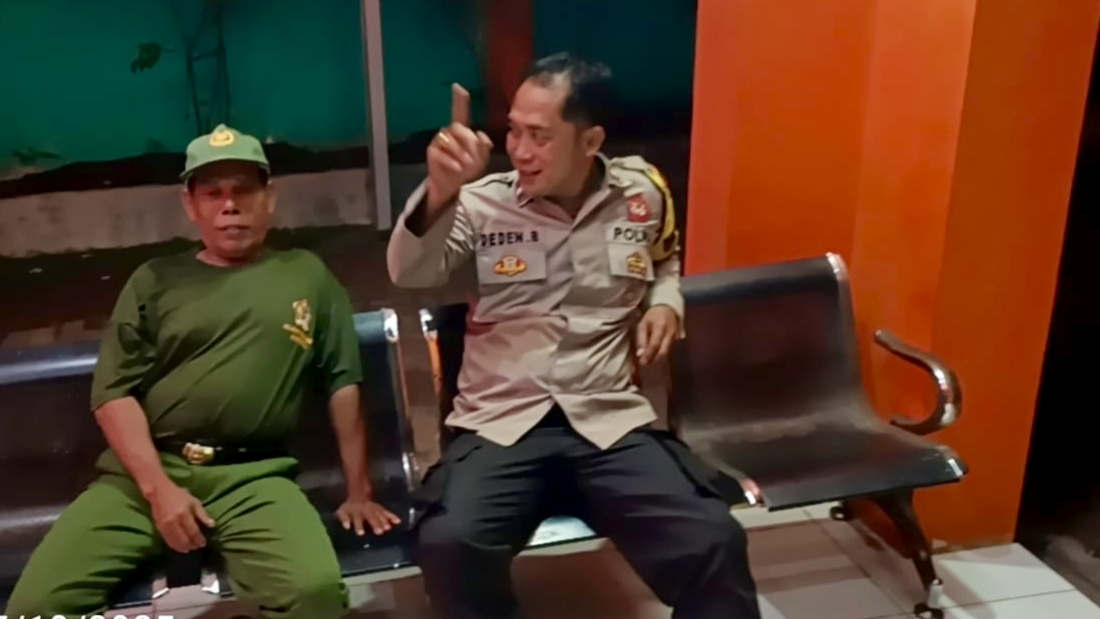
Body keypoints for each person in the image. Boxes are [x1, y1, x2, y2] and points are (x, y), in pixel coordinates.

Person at [387, 52, 762, 619]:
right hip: (501, 423)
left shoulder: (642, 193)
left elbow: (664, 255)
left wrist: (665, 300)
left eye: (539, 136)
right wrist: (440, 190)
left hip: (607, 420)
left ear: (591, 141)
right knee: (449, 542)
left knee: (713, 537)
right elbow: (408, 271)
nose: (519, 150)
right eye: (513, 131)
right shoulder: (483, 204)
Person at [5, 124, 401, 619]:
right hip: (147, 476)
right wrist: (160, 491)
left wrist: (360, 492)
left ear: (270, 198)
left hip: (255, 479)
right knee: (35, 606)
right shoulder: (155, 280)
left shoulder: (306, 276)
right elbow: (113, 394)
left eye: (243, 190)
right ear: (190, 205)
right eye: (212, 193)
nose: (229, 206)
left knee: (314, 593)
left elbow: (343, 381)